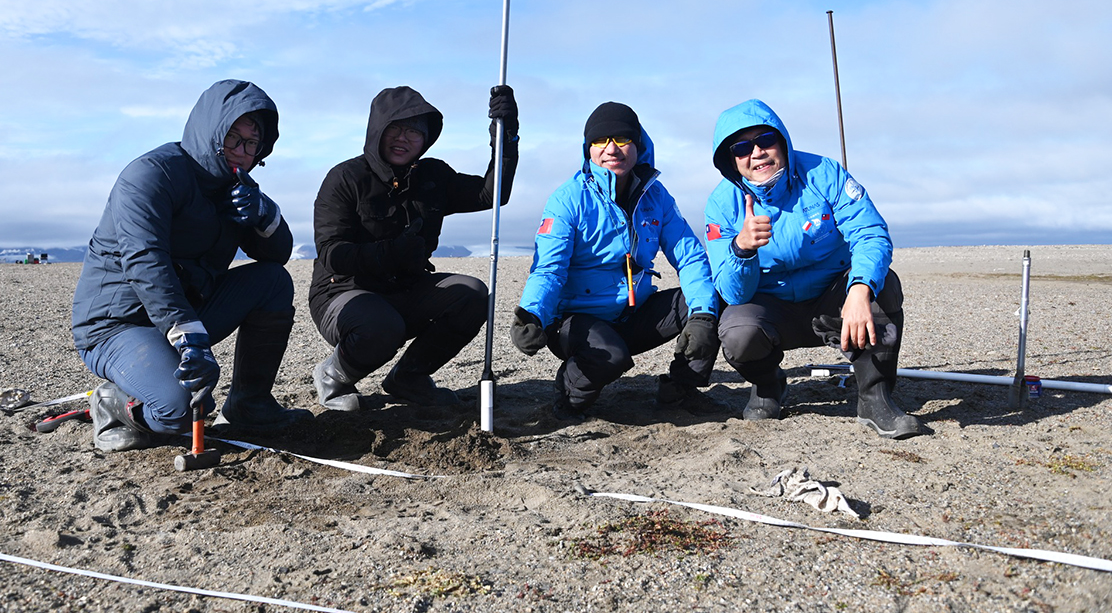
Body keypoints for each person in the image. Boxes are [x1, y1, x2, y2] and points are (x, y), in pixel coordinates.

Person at [72, 79, 309, 452]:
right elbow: (144, 260)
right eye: (233, 138)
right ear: (210, 132)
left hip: (188, 311)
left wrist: (264, 214)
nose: (242, 151)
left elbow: (276, 255)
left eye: (252, 143)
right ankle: (112, 403)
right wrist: (189, 337)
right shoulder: (151, 175)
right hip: (118, 323)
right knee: (177, 411)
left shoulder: (236, 188)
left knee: (272, 281)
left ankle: (251, 403)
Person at [704, 98, 920, 439]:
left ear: (783, 142)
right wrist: (741, 249)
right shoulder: (720, 204)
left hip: (832, 298)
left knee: (884, 288)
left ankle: (874, 397)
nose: (756, 153)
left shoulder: (824, 173)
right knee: (737, 332)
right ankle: (768, 385)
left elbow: (869, 232)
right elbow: (734, 293)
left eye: (765, 141)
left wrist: (860, 290)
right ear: (731, 161)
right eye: (742, 147)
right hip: (772, 307)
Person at [309, 85, 519, 410]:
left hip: (405, 289)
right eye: (395, 128)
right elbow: (332, 254)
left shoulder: (433, 176)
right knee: (382, 326)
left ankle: (409, 378)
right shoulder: (346, 178)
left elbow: (492, 194)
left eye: (414, 132)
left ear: (426, 139)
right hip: (344, 295)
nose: (403, 138)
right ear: (377, 129)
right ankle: (334, 376)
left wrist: (506, 137)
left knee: (472, 294)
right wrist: (390, 252)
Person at [510, 102, 721, 421]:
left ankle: (681, 388)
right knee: (609, 355)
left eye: (622, 139)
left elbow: (689, 256)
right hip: (574, 319)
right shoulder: (567, 199)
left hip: (633, 313)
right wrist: (532, 314)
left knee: (713, 299)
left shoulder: (656, 196)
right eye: (600, 140)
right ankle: (567, 395)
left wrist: (703, 316)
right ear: (588, 148)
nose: (611, 148)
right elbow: (549, 268)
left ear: (638, 144)